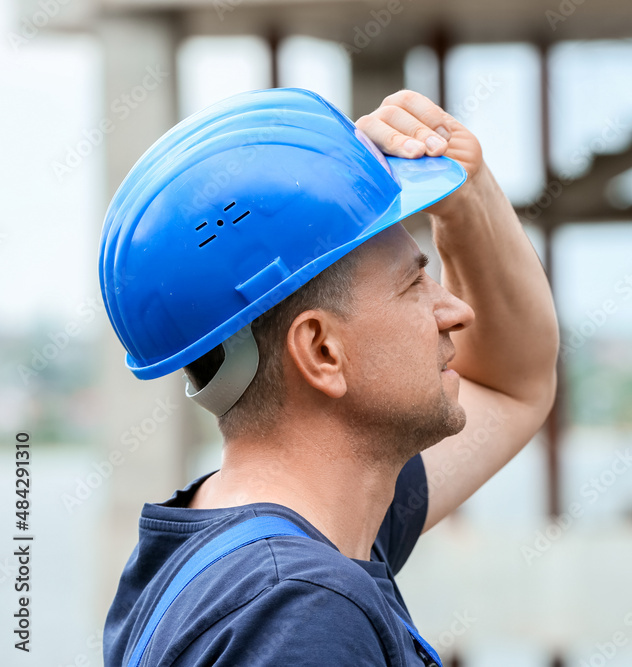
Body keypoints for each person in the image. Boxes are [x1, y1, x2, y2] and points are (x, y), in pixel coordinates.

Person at [99, 87, 559, 665]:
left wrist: (468, 197)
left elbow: (511, 387)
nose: (457, 312)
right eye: (415, 284)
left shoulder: (232, 550)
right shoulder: (301, 614)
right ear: (321, 350)